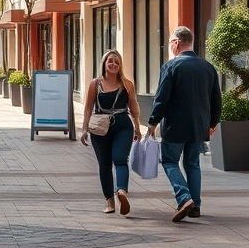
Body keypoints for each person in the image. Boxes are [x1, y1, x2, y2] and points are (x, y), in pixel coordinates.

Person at [147, 26, 221, 222]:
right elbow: (216, 99)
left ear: (177, 43)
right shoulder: (208, 67)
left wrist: (153, 122)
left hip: (175, 125)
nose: (170, 47)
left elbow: (162, 98)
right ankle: (195, 205)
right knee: (192, 164)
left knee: (170, 161)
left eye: (171, 43)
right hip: (199, 125)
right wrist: (212, 123)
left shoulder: (171, 67)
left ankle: (184, 197)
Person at [80, 49, 142, 215]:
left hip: (122, 124)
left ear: (120, 65)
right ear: (105, 64)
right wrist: (84, 129)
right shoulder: (95, 84)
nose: (114, 64)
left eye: (116, 61)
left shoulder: (127, 84)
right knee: (104, 165)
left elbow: (134, 107)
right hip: (100, 127)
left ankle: (121, 192)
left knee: (120, 159)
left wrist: (137, 126)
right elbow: (88, 108)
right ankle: (110, 203)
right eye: (110, 61)